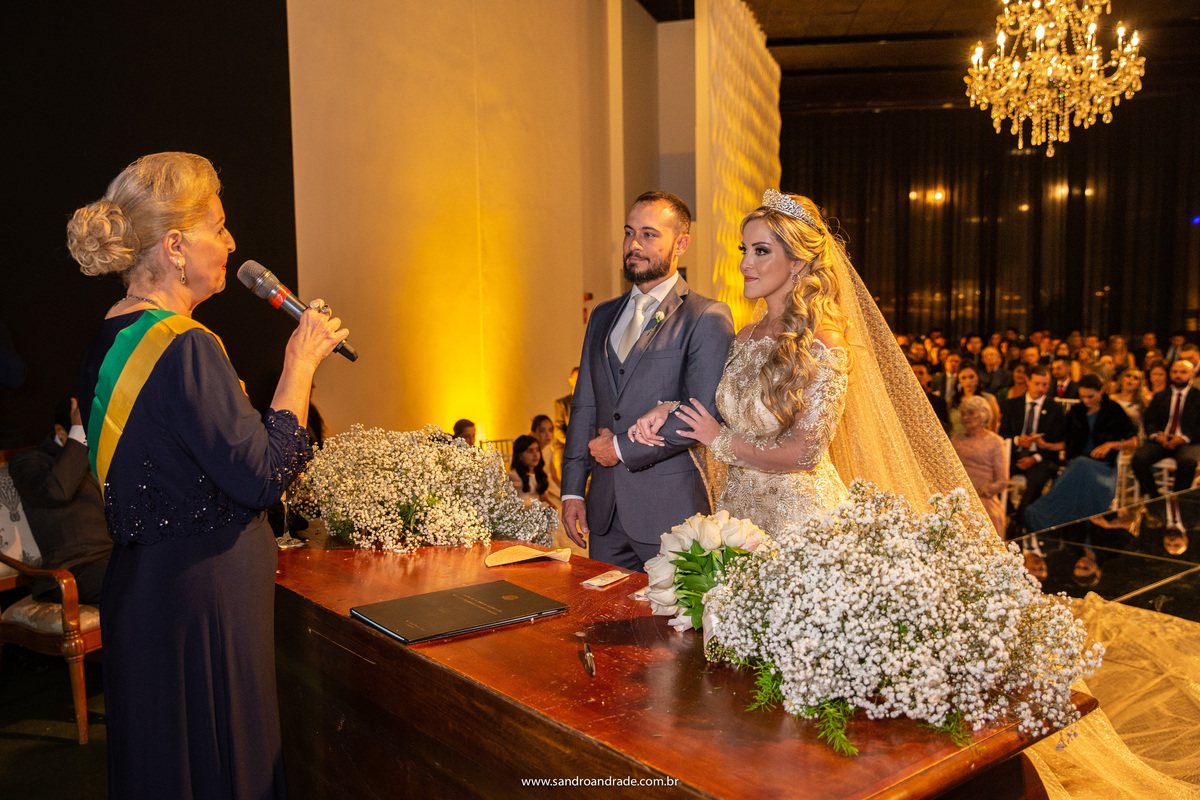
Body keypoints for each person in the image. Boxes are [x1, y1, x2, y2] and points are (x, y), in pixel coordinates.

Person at [69, 152, 347, 799]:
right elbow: (261, 478)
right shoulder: (186, 345)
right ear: (174, 246)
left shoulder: (103, 344)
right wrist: (299, 364)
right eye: (217, 228)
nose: (230, 243)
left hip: (143, 595)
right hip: (206, 606)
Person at [631, 190, 981, 540]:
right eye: (744, 250)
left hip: (800, 525)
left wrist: (720, 442)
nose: (744, 264)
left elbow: (805, 452)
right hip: (738, 517)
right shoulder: (745, 336)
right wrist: (669, 408)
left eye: (761, 251)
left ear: (797, 262)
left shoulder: (824, 341)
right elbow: (730, 409)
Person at [560, 191, 735, 571]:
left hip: (670, 512)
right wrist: (573, 489)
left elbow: (702, 412)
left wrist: (620, 448)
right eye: (629, 232)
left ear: (681, 244)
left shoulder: (706, 317)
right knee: (605, 625)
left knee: (673, 630)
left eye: (649, 234)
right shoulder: (602, 316)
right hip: (604, 514)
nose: (634, 244)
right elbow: (585, 405)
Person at [7, 397, 111, 605]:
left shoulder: (105, 453)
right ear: (62, 431)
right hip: (75, 570)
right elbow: (57, 491)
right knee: (141, 580)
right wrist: (80, 431)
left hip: (118, 557)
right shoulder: (29, 461)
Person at [1024, 375, 1138, 531]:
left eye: (1090, 396)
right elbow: (1067, 442)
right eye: (1082, 396)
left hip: (1103, 467)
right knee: (1078, 465)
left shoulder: (1113, 410)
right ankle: (1039, 515)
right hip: (1077, 464)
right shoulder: (1076, 411)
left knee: (1080, 465)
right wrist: (1047, 445)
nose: (1086, 400)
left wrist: (1111, 445)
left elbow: (1133, 441)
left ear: (1101, 391)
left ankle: (1049, 516)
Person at [998, 365, 1066, 534]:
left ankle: (1019, 521)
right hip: (1014, 455)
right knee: (991, 473)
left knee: (1037, 479)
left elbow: (1058, 441)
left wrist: (1036, 456)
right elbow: (1002, 434)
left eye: (1045, 385)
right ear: (1028, 381)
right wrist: (1017, 441)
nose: (1041, 389)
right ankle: (1011, 512)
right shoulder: (1012, 405)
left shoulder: (1055, 408)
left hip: (1041, 458)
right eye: (1037, 384)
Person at [1132, 359, 1200, 498]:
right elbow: (1149, 421)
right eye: (1175, 372)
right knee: (1138, 459)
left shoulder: (1198, 397)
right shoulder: (1160, 396)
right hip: (1161, 440)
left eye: (1183, 372)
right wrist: (1156, 435)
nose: (1178, 375)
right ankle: (1155, 498)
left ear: (1191, 375)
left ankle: (1177, 500)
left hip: (1187, 441)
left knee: (1187, 463)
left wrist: (1183, 438)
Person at [951, 395, 1008, 536]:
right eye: (963, 413)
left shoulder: (995, 441)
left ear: (984, 415)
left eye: (971, 413)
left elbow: (1002, 481)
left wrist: (977, 494)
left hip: (983, 499)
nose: (965, 417)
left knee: (985, 518)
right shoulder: (956, 439)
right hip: (956, 497)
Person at [948, 363, 1001, 436]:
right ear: (959, 380)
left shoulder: (988, 399)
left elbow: (993, 428)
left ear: (977, 378)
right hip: (955, 442)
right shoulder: (953, 400)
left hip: (980, 444)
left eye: (971, 377)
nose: (968, 381)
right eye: (963, 378)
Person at [508, 434, 549, 506]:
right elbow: (513, 504)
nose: (535, 455)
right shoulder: (514, 476)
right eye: (530, 451)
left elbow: (543, 499)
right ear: (520, 456)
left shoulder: (538, 474)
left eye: (537, 450)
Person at [551, 367, 577, 477]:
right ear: (570, 380)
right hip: (566, 443)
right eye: (576, 379)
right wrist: (571, 443)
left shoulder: (594, 401)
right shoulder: (562, 403)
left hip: (588, 443)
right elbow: (557, 429)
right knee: (560, 459)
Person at [530, 414, 559, 505]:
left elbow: (554, 476)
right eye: (542, 431)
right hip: (536, 491)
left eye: (550, 430)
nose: (548, 435)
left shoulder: (548, 450)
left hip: (549, 487)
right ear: (533, 432)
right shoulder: (530, 453)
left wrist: (567, 492)